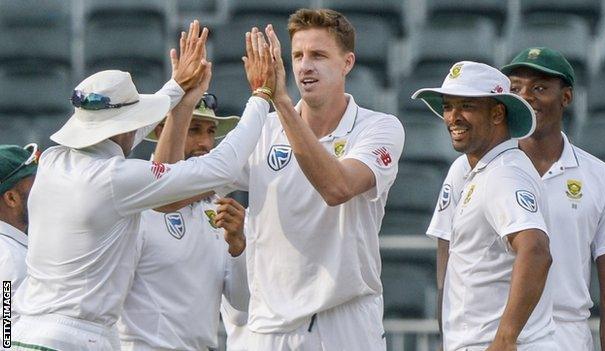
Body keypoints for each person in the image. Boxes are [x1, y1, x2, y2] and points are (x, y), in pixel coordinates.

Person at [11, 21, 276, 350]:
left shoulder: (52, 160)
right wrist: (261, 97)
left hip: (29, 336)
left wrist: (177, 87)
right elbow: (220, 168)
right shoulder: (115, 179)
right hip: (76, 340)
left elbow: (123, 136)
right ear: (125, 125)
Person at [224, 9, 405, 350]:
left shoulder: (380, 128)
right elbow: (199, 179)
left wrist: (279, 101)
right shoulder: (264, 129)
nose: (305, 66)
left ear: (347, 63)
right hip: (269, 328)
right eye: (297, 56)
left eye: (319, 55)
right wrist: (183, 96)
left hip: (345, 321)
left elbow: (337, 188)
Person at [413, 61, 556, 350]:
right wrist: (448, 334)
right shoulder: (466, 168)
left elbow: (536, 251)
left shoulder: (504, 173)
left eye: (467, 105)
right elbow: (448, 250)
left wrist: (505, 339)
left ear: (497, 113)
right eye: (448, 106)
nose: (454, 117)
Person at [501, 47, 605, 351]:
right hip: (494, 332)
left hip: (564, 334)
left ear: (566, 97)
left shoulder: (604, 179)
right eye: (515, 88)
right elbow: (451, 262)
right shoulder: (480, 169)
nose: (526, 96)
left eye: (540, 88)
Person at [117, 93, 250, 350]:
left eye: (211, 132)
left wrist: (238, 246)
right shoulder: (135, 203)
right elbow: (110, 296)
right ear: (162, 131)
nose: (205, 143)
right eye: (194, 130)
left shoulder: (216, 208)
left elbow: (242, 305)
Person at [0, 144, 38, 322]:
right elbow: (7, 331)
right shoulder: (12, 259)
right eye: (35, 185)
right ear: (11, 198)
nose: (43, 193)